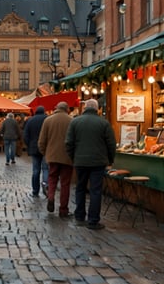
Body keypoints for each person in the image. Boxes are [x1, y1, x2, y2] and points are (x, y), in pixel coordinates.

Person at [65, 98, 116, 230]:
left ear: (85, 108)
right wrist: (110, 159)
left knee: (80, 188)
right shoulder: (104, 123)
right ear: (97, 109)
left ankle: (80, 215)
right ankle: (93, 220)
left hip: (80, 161)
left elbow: (68, 143)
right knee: (95, 191)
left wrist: (73, 157)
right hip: (98, 162)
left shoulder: (75, 122)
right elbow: (111, 144)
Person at [38, 101, 74, 218]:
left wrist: (46, 153)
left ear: (56, 108)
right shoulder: (71, 121)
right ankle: (63, 209)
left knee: (52, 179)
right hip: (67, 157)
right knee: (65, 184)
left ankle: (51, 197)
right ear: (67, 109)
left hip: (52, 156)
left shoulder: (48, 120)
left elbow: (41, 141)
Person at [23, 106, 49, 198]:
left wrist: (29, 145)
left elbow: (25, 135)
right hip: (46, 148)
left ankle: (35, 190)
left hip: (34, 148)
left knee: (36, 170)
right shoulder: (47, 119)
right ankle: (46, 186)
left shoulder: (30, 121)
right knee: (45, 169)